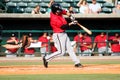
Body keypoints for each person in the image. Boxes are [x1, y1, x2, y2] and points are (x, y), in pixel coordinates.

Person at [43, 3, 82, 68]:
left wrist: (71, 16)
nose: (60, 11)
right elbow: (63, 27)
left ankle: (77, 63)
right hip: (58, 35)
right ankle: (46, 58)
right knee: (61, 52)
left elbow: (65, 12)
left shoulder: (58, 11)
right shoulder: (54, 18)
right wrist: (72, 23)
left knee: (70, 49)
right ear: (55, 11)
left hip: (64, 34)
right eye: (58, 10)